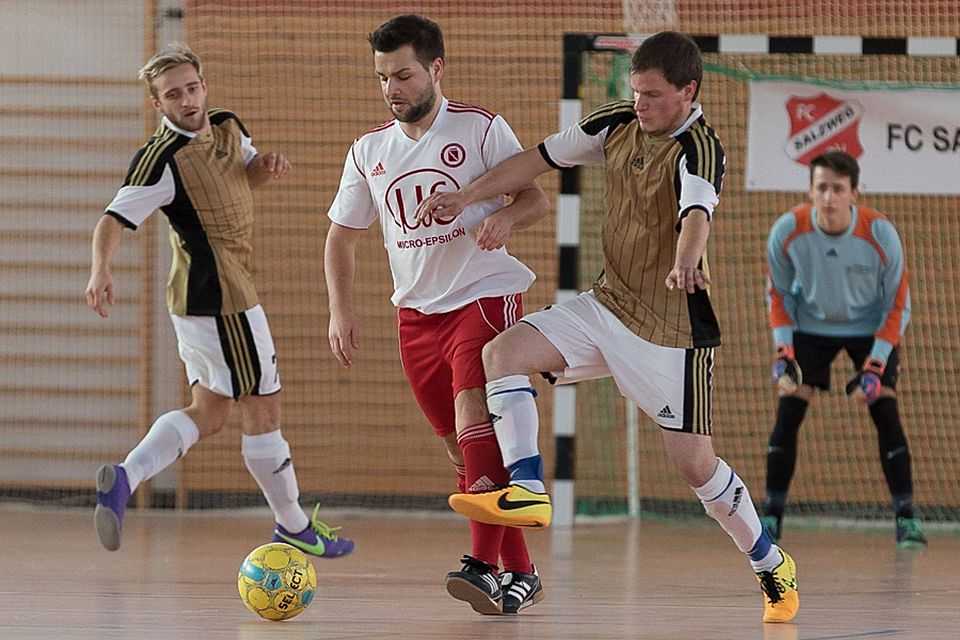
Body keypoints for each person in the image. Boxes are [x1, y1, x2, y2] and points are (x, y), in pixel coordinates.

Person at [416, 31, 799, 623]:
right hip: (606, 306)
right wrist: (466, 196)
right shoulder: (616, 123)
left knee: (695, 467)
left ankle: (770, 562)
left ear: (688, 92)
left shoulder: (700, 147)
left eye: (652, 94)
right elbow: (536, 159)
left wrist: (686, 259)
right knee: (503, 352)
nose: (640, 103)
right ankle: (527, 486)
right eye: (635, 91)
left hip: (673, 334)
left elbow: (695, 212)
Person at [85, 44, 354, 559]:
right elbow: (113, 219)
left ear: (204, 86)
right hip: (222, 299)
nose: (186, 100)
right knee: (265, 406)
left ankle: (124, 478)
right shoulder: (160, 160)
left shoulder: (228, 125)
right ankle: (293, 524)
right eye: (172, 95)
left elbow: (244, 175)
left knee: (209, 411)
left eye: (191, 87)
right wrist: (102, 266)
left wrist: (264, 168)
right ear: (156, 105)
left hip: (203, 300)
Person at [324, 15, 549, 615]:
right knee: (464, 451)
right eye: (382, 78)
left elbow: (533, 195)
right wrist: (339, 309)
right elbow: (341, 237)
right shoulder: (367, 150)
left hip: (484, 293)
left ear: (435, 69)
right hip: (417, 317)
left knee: (473, 406)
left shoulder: (479, 129)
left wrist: (505, 218)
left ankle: (479, 565)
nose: (392, 88)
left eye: (402, 74)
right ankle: (521, 572)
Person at [764, 150, 927, 549]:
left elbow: (897, 304)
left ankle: (906, 519)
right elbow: (779, 296)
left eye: (838, 189)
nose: (829, 198)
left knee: (885, 411)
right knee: (788, 412)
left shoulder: (880, 233)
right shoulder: (787, 231)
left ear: (854, 193)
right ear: (810, 191)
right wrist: (784, 351)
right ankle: (771, 517)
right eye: (821, 188)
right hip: (810, 327)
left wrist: (875, 364)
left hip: (869, 328)